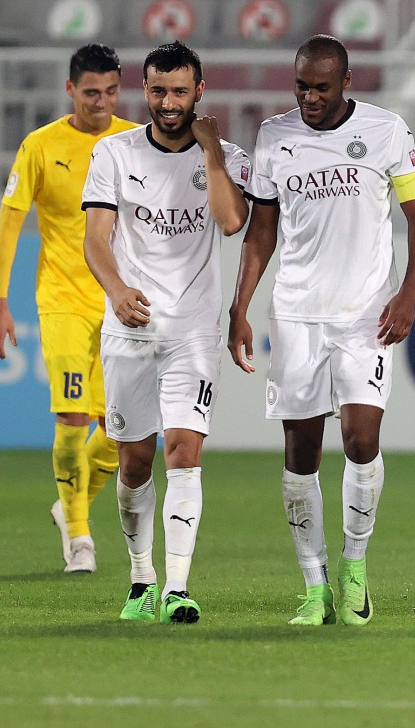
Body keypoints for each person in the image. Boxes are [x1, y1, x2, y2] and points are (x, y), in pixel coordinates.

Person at [227, 35, 415, 627]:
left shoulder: (388, 131)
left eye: (321, 87)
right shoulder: (275, 137)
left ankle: (355, 567)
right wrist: (240, 306)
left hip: (364, 315)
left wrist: (408, 295)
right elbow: (260, 234)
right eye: (301, 86)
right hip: (295, 315)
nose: (310, 97)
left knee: (362, 438)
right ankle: (315, 587)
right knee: (300, 450)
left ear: (346, 82)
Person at [82, 41, 250, 624]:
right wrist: (117, 290)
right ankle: (141, 577)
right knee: (133, 465)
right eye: (158, 90)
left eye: (180, 91)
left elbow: (231, 221)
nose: (169, 102)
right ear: (144, 91)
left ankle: (177, 586)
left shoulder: (224, 156)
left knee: (184, 451)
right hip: (130, 328)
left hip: (195, 331)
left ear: (199, 91)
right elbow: (96, 238)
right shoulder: (114, 153)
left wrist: (211, 154)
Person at [0, 43, 139, 574]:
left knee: (126, 431)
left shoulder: (133, 143)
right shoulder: (40, 146)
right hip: (62, 301)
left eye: (112, 92)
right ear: (71, 90)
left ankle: (70, 503)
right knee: (73, 414)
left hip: (123, 301)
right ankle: (78, 535)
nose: (102, 102)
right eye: (92, 92)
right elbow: (10, 222)